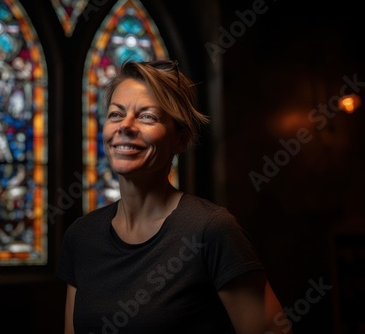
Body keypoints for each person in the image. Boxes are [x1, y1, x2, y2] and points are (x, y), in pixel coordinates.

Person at [56, 59, 293, 334]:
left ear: (180, 139)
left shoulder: (210, 230)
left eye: (147, 116)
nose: (126, 126)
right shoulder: (81, 237)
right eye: (116, 114)